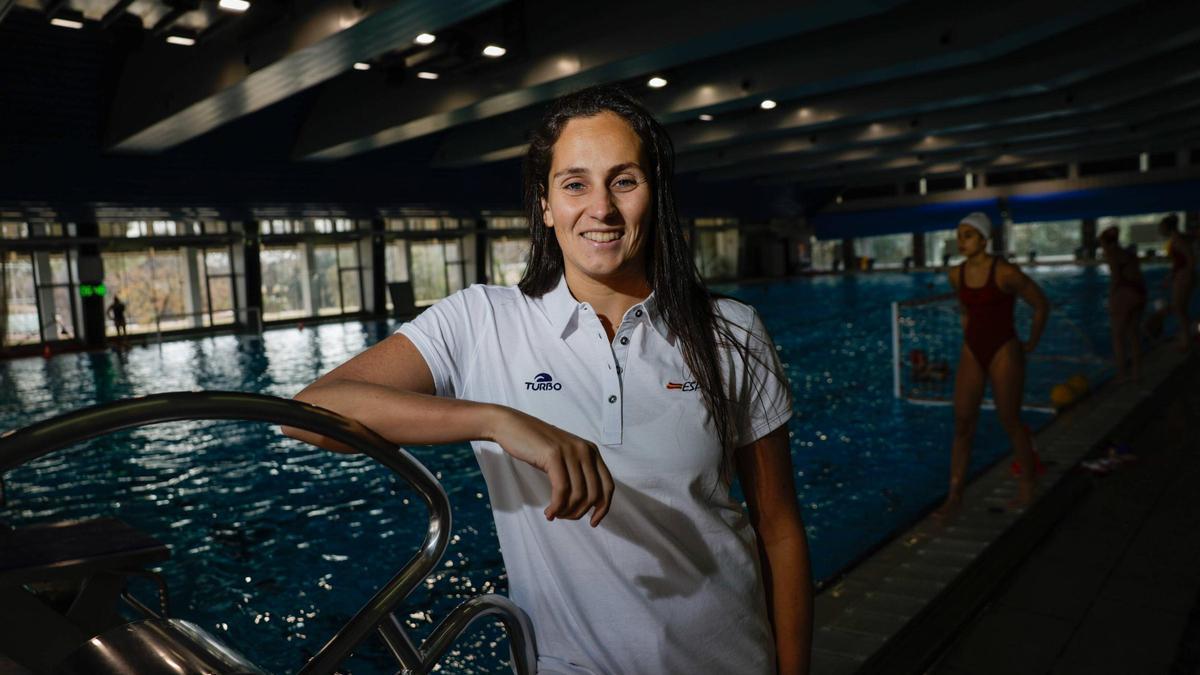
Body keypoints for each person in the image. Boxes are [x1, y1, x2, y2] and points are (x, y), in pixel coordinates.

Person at [285, 86, 812, 675]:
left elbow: (779, 526)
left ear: (655, 194)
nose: (601, 209)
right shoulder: (481, 320)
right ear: (544, 203)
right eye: (575, 184)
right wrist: (497, 420)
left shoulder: (731, 330)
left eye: (625, 180)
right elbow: (311, 412)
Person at [938, 212, 1050, 516]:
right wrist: (968, 338)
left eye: (969, 235)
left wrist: (1031, 343)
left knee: (1010, 420)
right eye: (959, 235)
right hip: (973, 350)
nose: (962, 241)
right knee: (962, 423)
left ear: (984, 239)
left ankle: (1028, 484)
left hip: (1004, 349)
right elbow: (965, 310)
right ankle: (954, 497)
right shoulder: (955, 274)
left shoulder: (1005, 273)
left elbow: (1041, 304)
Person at [1098, 226, 1146, 380]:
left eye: (1102, 244)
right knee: (1134, 335)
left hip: (1125, 294)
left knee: (1118, 337)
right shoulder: (1129, 253)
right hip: (1139, 292)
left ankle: (1121, 374)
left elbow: (1116, 279)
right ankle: (1138, 372)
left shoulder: (1113, 255)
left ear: (1107, 243)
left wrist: (1111, 299)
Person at [1157, 214, 1195, 350]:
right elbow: (1179, 262)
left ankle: (1187, 341)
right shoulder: (1175, 239)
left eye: (1161, 228)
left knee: (1180, 310)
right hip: (1181, 276)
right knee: (1180, 309)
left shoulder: (1178, 240)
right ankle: (1186, 336)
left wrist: (1185, 276)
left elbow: (1190, 260)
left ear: (1167, 227)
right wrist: (1170, 278)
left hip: (1183, 277)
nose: (1160, 231)